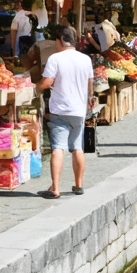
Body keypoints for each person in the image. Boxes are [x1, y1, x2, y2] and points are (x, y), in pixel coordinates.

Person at [36, 25, 93, 198]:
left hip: (59, 110)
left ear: (60, 40)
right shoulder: (86, 59)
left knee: (58, 148)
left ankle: (55, 188)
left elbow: (46, 83)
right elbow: (90, 84)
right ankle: (78, 185)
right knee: (77, 148)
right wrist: (87, 100)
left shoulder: (55, 58)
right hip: (78, 110)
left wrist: (35, 89)